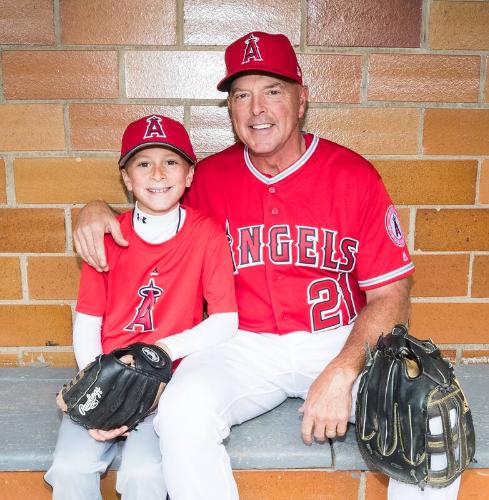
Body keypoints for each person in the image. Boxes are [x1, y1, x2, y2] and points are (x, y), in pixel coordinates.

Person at [74, 33, 461, 500]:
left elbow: (391, 294)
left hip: (336, 339)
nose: (257, 108)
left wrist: (342, 372)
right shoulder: (206, 179)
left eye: (272, 91)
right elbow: (148, 203)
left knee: (429, 418)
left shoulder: (353, 175)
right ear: (231, 110)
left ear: (301, 101)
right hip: (241, 344)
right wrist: (96, 209)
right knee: (181, 415)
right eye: (242, 95)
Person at [45, 114, 238, 500]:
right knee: (69, 469)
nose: (157, 174)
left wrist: (160, 354)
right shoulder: (108, 236)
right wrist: (99, 390)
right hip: (107, 374)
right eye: (143, 163)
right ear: (127, 178)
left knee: (144, 475)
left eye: (171, 162)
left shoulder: (206, 234)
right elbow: (88, 323)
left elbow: (225, 322)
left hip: (167, 384)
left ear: (189, 176)